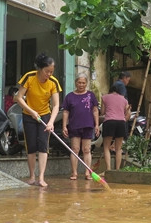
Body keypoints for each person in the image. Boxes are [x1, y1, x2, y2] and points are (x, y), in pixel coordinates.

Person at [15, 53, 62, 187]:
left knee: (43, 145)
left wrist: (51, 122)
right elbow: (18, 98)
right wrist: (31, 111)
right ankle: (31, 176)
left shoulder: (53, 82)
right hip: (29, 115)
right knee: (31, 146)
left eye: (51, 72)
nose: (49, 74)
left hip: (45, 115)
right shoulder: (29, 77)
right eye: (47, 71)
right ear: (40, 69)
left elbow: (56, 105)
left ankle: (41, 177)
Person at [61, 73, 100, 180]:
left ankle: (87, 172)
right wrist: (64, 126)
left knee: (86, 149)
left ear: (86, 83)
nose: (81, 85)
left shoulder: (91, 95)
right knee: (75, 149)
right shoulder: (69, 96)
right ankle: (74, 173)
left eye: (83, 83)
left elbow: (95, 110)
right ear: (75, 83)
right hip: (74, 126)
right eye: (79, 82)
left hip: (88, 125)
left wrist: (96, 125)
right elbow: (65, 112)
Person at [101, 83, 131, 171]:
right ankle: (117, 170)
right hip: (121, 123)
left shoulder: (105, 97)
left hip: (109, 122)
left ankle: (108, 169)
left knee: (106, 147)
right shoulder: (124, 99)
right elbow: (127, 115)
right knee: (118, 148)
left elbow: (102, 112)